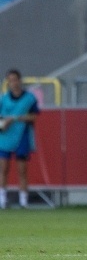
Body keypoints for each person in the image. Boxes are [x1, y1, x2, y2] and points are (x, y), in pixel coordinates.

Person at [0, 69, 40, 209]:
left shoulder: (29, 99)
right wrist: (3, 125)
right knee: (3, 168)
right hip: (5, 137)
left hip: (21, 134)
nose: (13, 83)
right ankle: (2, 200)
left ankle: (24, 201)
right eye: (10, 80)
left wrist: (16, 118)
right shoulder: (3, 99)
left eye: (15, 80)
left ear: (20, 81)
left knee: (21, 170)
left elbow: (34, 116)